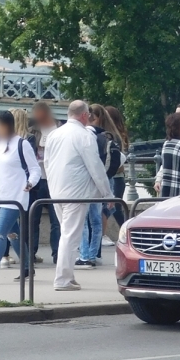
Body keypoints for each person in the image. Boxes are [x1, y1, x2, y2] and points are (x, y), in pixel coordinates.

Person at [44, 101, 112, 291]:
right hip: (76, 192)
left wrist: (52, 187)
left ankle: (68, 275)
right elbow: (96, 167)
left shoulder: (54, 134)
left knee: (66, 235)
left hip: (57, 191)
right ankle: (63, 279)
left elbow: (47, 164)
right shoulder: (84, 136)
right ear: (84, 115)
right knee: (70, 236)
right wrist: (107, 193)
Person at [0, 111, 40, 285]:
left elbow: (35, 169)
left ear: (6, 125)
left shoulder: (22, 144)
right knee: (13, 234)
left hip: (15, 197)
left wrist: (30, 183)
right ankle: (27, 267)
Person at [75, 103, 124, 269]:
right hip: (104, 180)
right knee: (96, 220)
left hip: (88, 182)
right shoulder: (109, 136)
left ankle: (84, 255)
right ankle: (94, 254)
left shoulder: (87, 136)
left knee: (84, 220)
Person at [27, 101, 61, 265]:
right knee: (34, 219)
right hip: (37, 179)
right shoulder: (32, 131)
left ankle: (57, 254)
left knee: (57, 220)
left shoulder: (58, 129)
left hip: (54, 179)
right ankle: (31, 253)